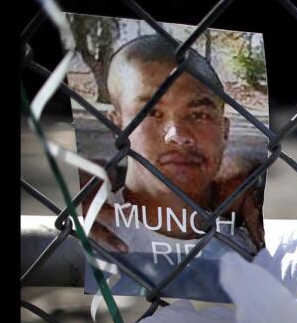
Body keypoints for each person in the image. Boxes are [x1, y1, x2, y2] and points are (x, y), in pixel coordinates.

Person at [80, 34, 265, 256]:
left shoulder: (255, 237)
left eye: (199, 114)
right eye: (152, 113)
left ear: (224, 131)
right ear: (117, 127)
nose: (178, 135)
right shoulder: (86, 227)